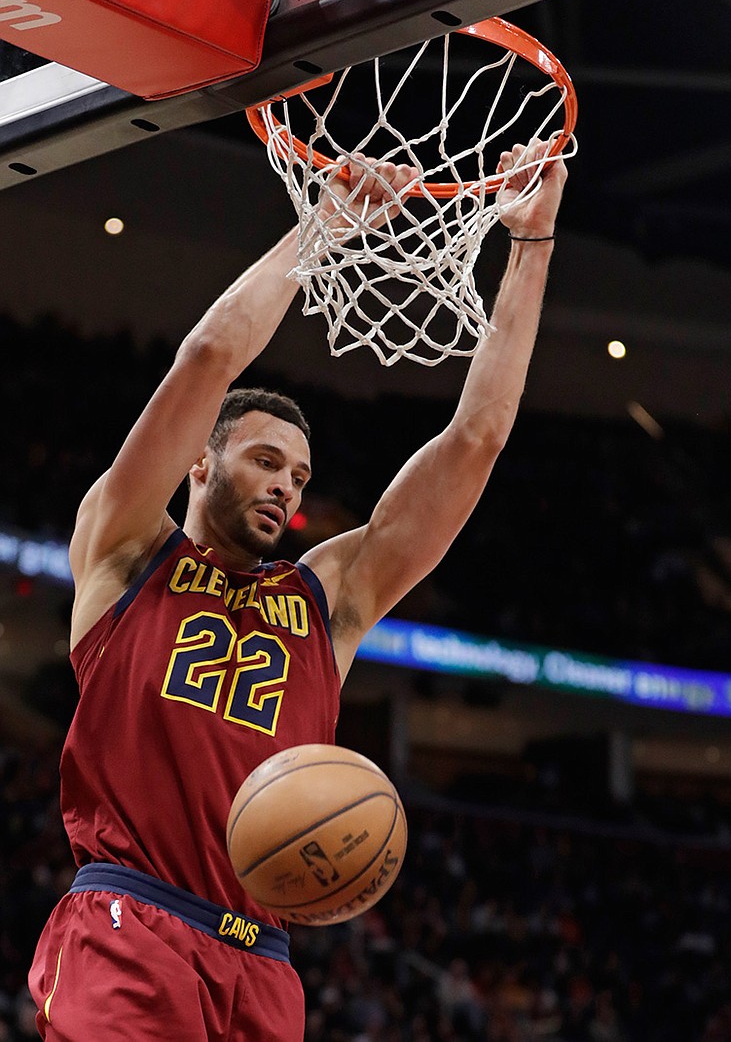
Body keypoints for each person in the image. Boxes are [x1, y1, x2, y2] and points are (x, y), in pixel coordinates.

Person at [28, 142, 567, 1041]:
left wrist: (534, 246)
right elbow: (206, 355)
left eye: (300, 474)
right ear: (201, 462)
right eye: (265, 460)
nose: (287, 485)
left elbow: (476, 440)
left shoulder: (329, 598)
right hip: (131, 927)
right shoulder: (127, 549)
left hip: (266, 965)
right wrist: (323, 227)